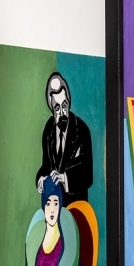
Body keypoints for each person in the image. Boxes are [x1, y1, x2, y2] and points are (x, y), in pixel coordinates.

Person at [35, 72, 93, 207]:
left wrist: (64, 178)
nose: (62, 112)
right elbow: (46, 166)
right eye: (57, 108)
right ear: (51, 107)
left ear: (69, 100)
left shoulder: (82, 130)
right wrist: (40, 179)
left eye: (64, 105)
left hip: (76, 207)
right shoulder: (48, 130)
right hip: (55, 208)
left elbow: (88, 175)